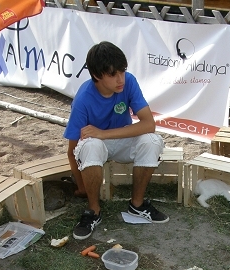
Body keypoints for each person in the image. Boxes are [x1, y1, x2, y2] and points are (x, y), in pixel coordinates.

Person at [63, 41, 168, 240]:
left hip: (118, 139)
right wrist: (81, 187)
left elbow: (149, 124)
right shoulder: (83, 99)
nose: (120, 79)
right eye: (112, 74)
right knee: (91, 144)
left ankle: (137, 205)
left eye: (122, 71)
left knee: (152, 141)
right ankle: (93, 211)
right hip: (95, 147)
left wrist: (103, 133)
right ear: (96, 75)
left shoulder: (129, 81)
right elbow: (72, 150)